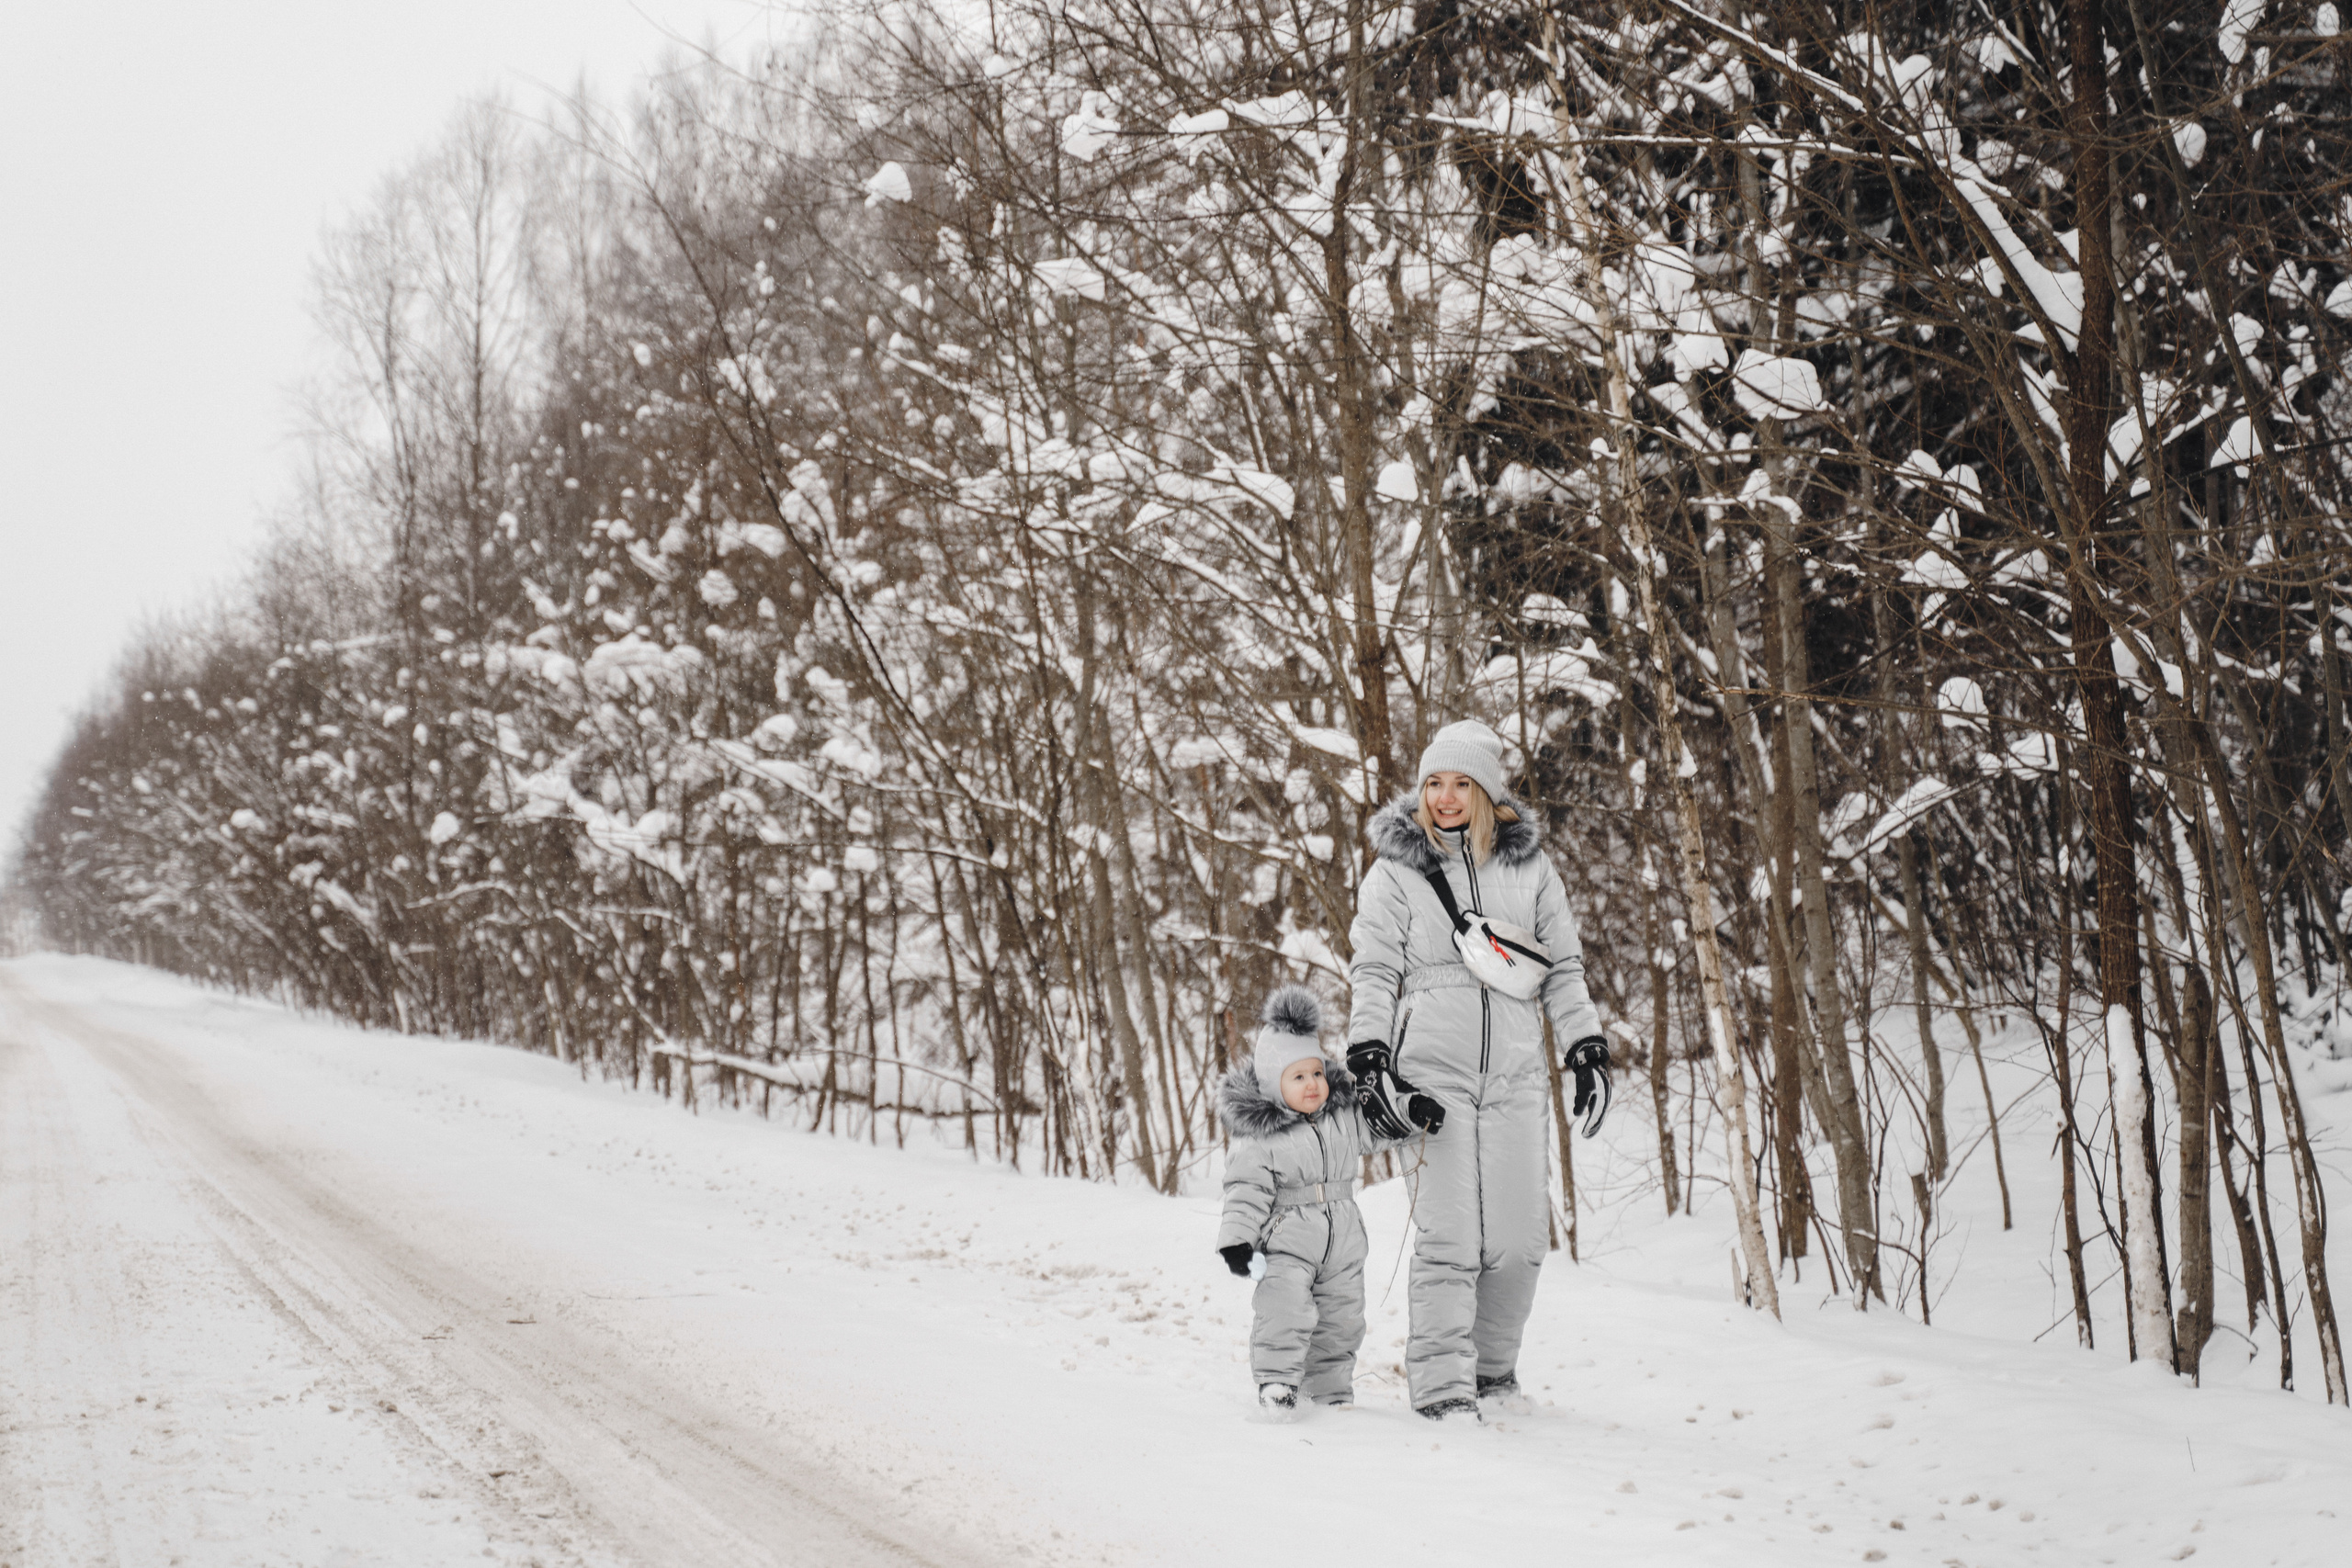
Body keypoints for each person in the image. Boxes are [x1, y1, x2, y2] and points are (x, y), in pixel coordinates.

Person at [1344, 719, 1611, 1423]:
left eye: (1462, 783)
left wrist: (1584, 1043)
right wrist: (1369, 1051)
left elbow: (1564, 967)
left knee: (1521, 1243)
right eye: (1434, 782)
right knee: (1452, 1239)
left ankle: (1494, 1376)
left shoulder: (1530, 867)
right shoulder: (1395, 870)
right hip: (1432, 1071)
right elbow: (1373, 969)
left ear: (1489, 791)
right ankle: (1441, 1389)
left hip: (1518, 1070)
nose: (1446, 796)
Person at [1216, 985, 1439, 1417]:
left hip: (1343, 1240)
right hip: (1287, 1241)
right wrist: (1237, 1241)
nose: (1313, 1085)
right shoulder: (1260, 1139)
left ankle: (1331, 1393)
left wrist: (1413, 1112)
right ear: (1272, 1085)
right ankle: (1278, 1382)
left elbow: (1379, 1127)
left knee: (1342, 1320)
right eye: (1298, 1077)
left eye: (1316, 1073)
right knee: (1285, 1309)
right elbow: (1244, 1191)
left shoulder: (1342, 1116)